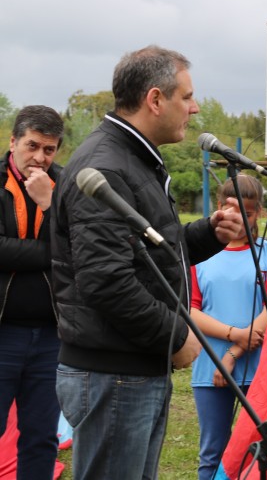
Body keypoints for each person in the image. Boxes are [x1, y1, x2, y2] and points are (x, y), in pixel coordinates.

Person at [51, 46, 244, 479]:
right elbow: (106, 281)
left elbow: (147, 254)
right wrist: (178, 336)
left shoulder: (135, 160)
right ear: (155, 100)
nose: (194, 109)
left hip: (129, 367)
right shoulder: (108, 166)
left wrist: (208, 233)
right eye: (187, 97)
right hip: (112, 372)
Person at [190, 174, 267, 480]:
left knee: (259, 449)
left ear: (258, 213)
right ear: (218, 207)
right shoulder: (198, 253)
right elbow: (190, 310)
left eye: (249, 211)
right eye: (230, 207)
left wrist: (236, 349)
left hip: (259, 370)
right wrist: (233, 336)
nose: (240, 217)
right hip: (210, 369)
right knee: (212, 450)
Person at [0, 105, 64, 479]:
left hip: (52, 335)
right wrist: (50, 252)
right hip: (3, 331)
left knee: (41, 437)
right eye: (32, 146)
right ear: (13, 142)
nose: (39, 157)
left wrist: (50, 204)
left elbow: (82, 245)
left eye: (49, 149)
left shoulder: (65, 184)